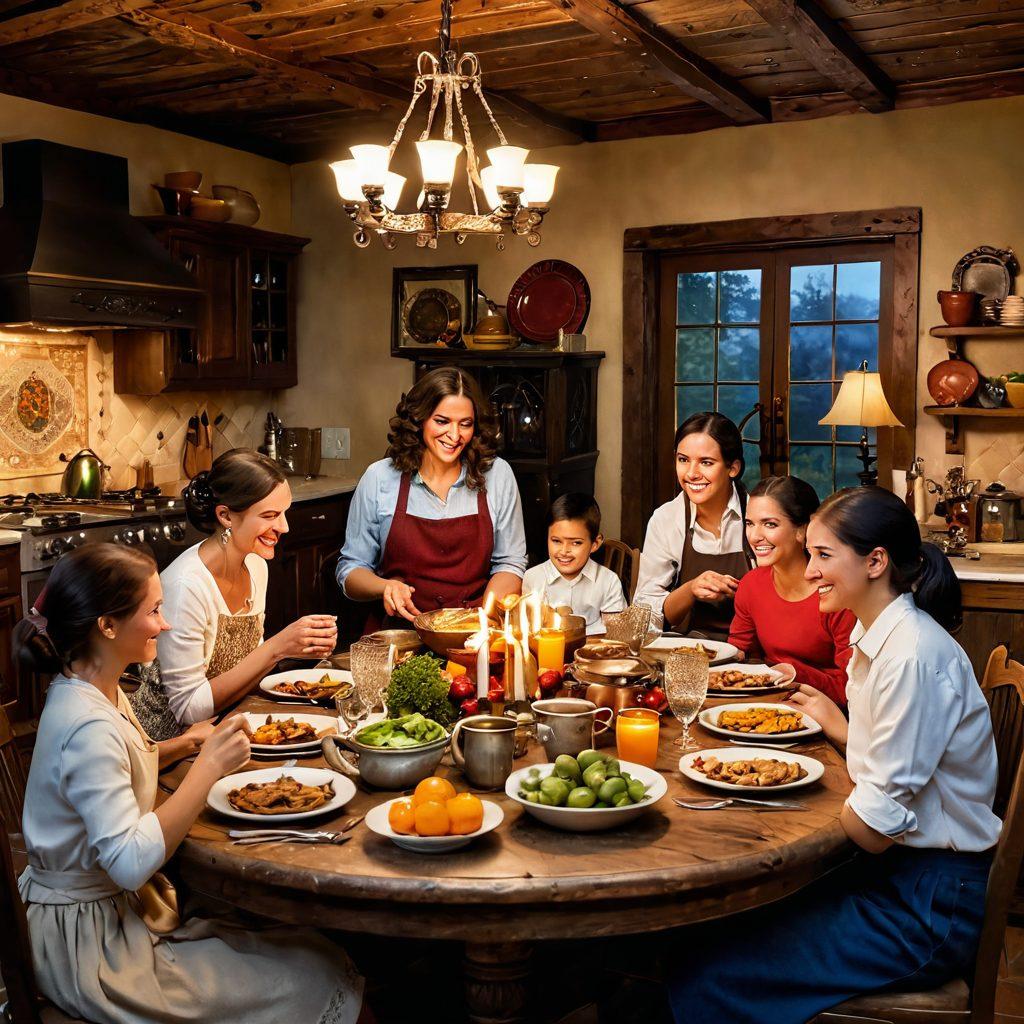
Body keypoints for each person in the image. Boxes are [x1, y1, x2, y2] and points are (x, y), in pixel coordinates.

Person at [668, 487, 1000, 1024]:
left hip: (926, 907)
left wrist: (784, 798)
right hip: (897, 876)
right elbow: (894, 768)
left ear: (875, 561)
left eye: (824, 556)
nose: (812, 569)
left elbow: (872, 828)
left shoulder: (911, 657)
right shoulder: (880, 635)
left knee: (711, 972)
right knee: (702, 931)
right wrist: (842, 733)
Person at [16, 543, 365, 1024]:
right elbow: (130, 863)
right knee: (311, 970)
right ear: (108, 626)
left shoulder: (91, 684)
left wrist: (182, 745)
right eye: (155, 610)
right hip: (94, 951)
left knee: (299, 942)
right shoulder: (87, 726)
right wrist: (206, 770)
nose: (166, 623)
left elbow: (115, 770)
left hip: (106, 916)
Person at [131, 449, 338, 739]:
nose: (284, 527)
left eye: (284, 513)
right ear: (226, 516)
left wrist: (297, 649)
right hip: (169, 745)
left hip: (229, 727)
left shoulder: (255, 565)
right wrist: (277, 648)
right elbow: (188, 709)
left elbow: (249, 669)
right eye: (270, 515)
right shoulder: (186, 586)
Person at [338, 366, 528, 628]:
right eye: (442, 421)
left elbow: (510, 562)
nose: (454, 435)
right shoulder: (380, 477)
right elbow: (351, 570)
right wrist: (385, 587)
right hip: (400, 634)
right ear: (419, 419)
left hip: (474, 634)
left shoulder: (497, 474)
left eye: (466, 424)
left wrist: (483, 620)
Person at [728, 475, 854, 705]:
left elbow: (852, 689)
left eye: (770, 524)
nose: (755, 537)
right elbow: (739, 656)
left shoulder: (836, 594)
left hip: (829, 718)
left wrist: (796, 673)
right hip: (767, 706)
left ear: (802, 530)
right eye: (749, 523)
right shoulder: (751, 585)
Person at [634, 412, 754, 639]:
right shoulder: (666, 519)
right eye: (683, 460)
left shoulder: (757, 515)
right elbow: (644, 617)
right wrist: (690, 589)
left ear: (733, 468)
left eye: (706, 462)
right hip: (688, 653)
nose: (691, 474)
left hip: (754, 655)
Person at [522, 493, 626, 635]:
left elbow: (615, 635)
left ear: (595, 543)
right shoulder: (533, 578)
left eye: (576, 542)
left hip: (593, 653)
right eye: (556, 541)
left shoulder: (608, 581)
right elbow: (528, 631)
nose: (564, 551)